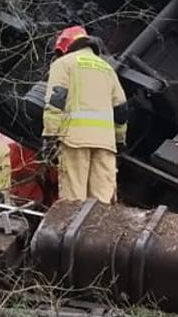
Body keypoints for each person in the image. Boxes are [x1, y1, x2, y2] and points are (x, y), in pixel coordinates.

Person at [43, 25, 128, 203]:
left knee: (73, 201)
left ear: (65, 47)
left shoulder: (64, 64)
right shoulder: (107, 69)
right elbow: (121, 109)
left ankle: (69, 231)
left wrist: (50, 136)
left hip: (74, 140)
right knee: (102, 205)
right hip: (106, 144)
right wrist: (119, 141)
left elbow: (55, 101)